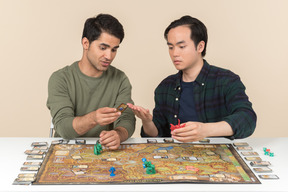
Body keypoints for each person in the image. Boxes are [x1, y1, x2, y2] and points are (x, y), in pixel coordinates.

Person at [128, 15, 256, 142]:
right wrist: (147, 121)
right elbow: (157, 135)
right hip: (176, 158)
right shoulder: (165, 86)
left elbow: (247, 119)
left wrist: (205, 130)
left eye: (181, 46)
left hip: (216, 158)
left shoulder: (226, 80)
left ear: (200, 46)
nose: (174, 53)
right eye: (171, 47)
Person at [47, 14, 135, 149]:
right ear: (85, 43)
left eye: (114, 49)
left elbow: (126, 119)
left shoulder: (120, 79)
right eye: (103, 48)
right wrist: (93, 118)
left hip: (104, 151)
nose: (109, 56)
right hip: (66, 151)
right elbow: (64, 127)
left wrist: (118, 134)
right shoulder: (60, 79)